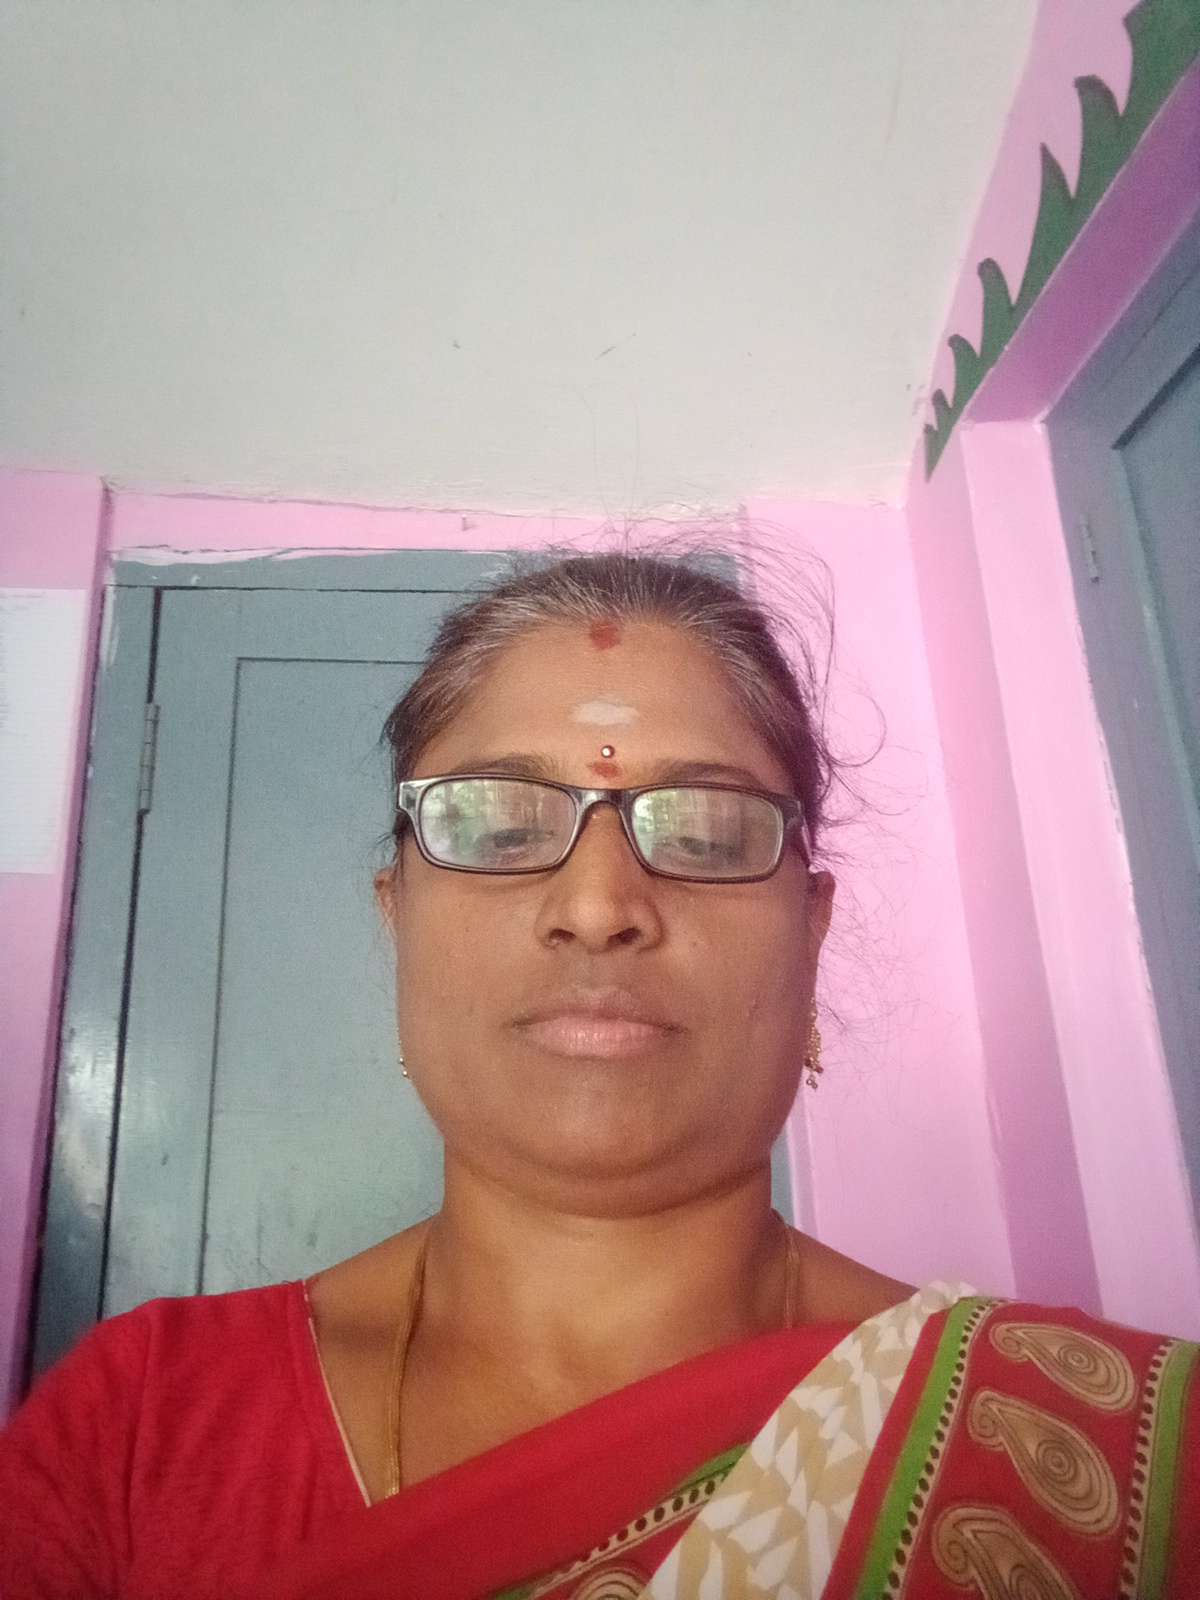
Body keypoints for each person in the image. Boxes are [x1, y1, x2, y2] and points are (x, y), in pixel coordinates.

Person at [1, 550, 1196, 1599]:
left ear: (811, 931)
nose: (597, 903)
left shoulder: (1089, 1445)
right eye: (500, 825)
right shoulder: (142, 1425)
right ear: (396, 915)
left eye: (708, 829)